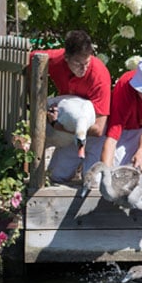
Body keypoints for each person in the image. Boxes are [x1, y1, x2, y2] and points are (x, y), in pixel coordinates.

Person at [33, 30, 111, 182]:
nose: (83, 68)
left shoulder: (100, 77)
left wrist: (58, 125)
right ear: (66, 57)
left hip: (94, 132)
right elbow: (30, 61)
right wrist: (32, 99)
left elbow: (98, 128)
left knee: (93, 182)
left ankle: (84, 164)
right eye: (78, 64)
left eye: (87, 63)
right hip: (70, 128)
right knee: (55, 176)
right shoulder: (55, 59)